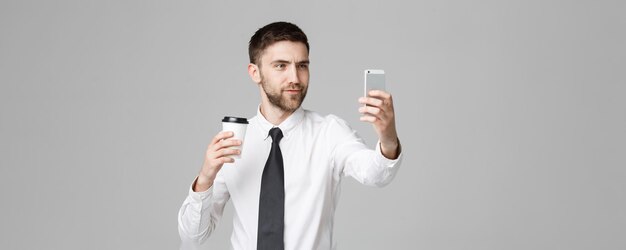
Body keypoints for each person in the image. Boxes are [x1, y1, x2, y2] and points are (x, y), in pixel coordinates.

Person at [178, 21, 403, 250]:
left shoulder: (329, 132)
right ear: (255, 72)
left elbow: (376, 174)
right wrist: (205, 177)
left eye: (302, 66)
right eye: (281, 66)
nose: (295, 77)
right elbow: (193, 237)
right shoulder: (232, 141)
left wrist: (388, 136)